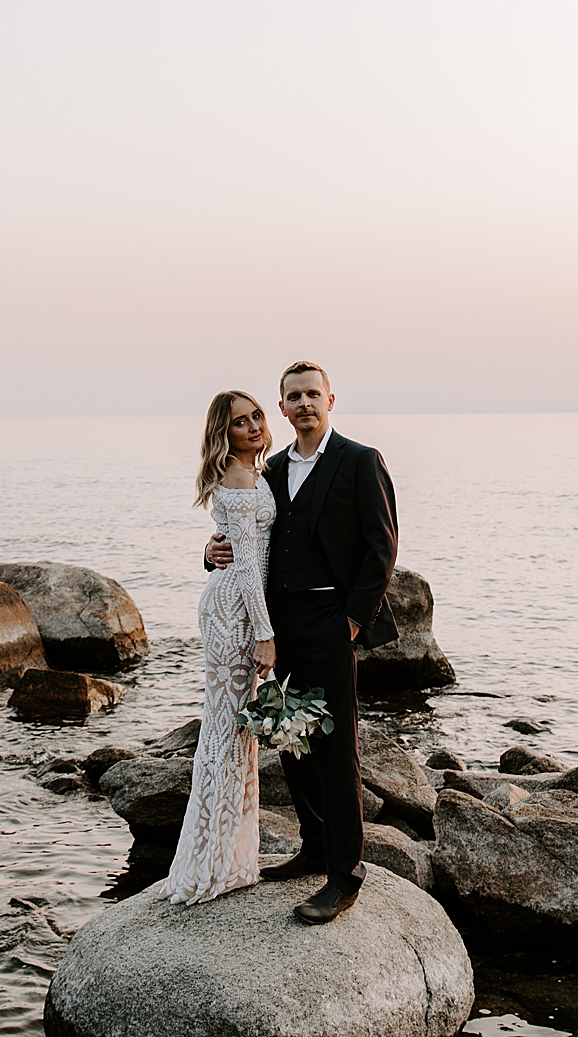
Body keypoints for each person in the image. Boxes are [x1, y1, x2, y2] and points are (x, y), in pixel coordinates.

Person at [205, 360, 398, 925]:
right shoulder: (269, 472)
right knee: (291, 737)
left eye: (314, 393)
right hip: (278, 621)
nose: (305, 403)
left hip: (332, 620)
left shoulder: (360, 461)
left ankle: (344, 875)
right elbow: (248, 540)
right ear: (283, 407)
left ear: (330, 400)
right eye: (294, 396)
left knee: (337, 749)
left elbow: (381, 547)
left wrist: (352, 623)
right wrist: (212, 553)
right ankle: (313, 847)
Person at [163, 389, 279, 905]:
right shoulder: (236, 477)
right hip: (235, 612)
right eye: (239, 422)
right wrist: (265, 633)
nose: (253, 426)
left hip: (231, 601)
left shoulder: (258, 470)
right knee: (228, 730)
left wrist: (211, 552)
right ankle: (210, 862)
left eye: (256, 416)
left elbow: (238, 547)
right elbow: (250, 567)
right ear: (222, 432)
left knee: (233, 732)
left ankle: (230, 855)